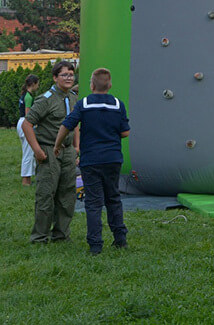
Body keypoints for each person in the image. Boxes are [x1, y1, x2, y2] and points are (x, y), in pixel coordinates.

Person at [54, 67, 130, 255]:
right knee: (113, 198)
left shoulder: (83, 104)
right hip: (113, 159)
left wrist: (57, 145)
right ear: (110, 85)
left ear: (91, 85)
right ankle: (120, 239)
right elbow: (125, 132)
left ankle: (95, 245)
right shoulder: (118, 104)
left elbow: (67, 125)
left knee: (94, 202)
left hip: (91, 160)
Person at [22, 60, 80, 243]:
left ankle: (61, 235)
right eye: (64, 74)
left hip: (68, 151)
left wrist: (77, 147)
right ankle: (40, 236)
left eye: (71, 74)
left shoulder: (73, 97)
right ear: (55, 78)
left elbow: (75, 123)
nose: (69, 78)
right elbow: (27, 124)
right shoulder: (46, 99)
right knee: (46, 194)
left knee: (68, 194)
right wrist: (37, 151)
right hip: (48, 151)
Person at [17, 74, 42, 186]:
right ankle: (25, 180)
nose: (38, 86)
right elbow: (29, 114)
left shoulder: (25, 95)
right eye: (38, 84)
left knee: (26, 151)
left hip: (20, 122)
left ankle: (27, 178)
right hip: (25, 123)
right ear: (33, 84)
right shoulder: (29, 97)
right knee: (28, 152)